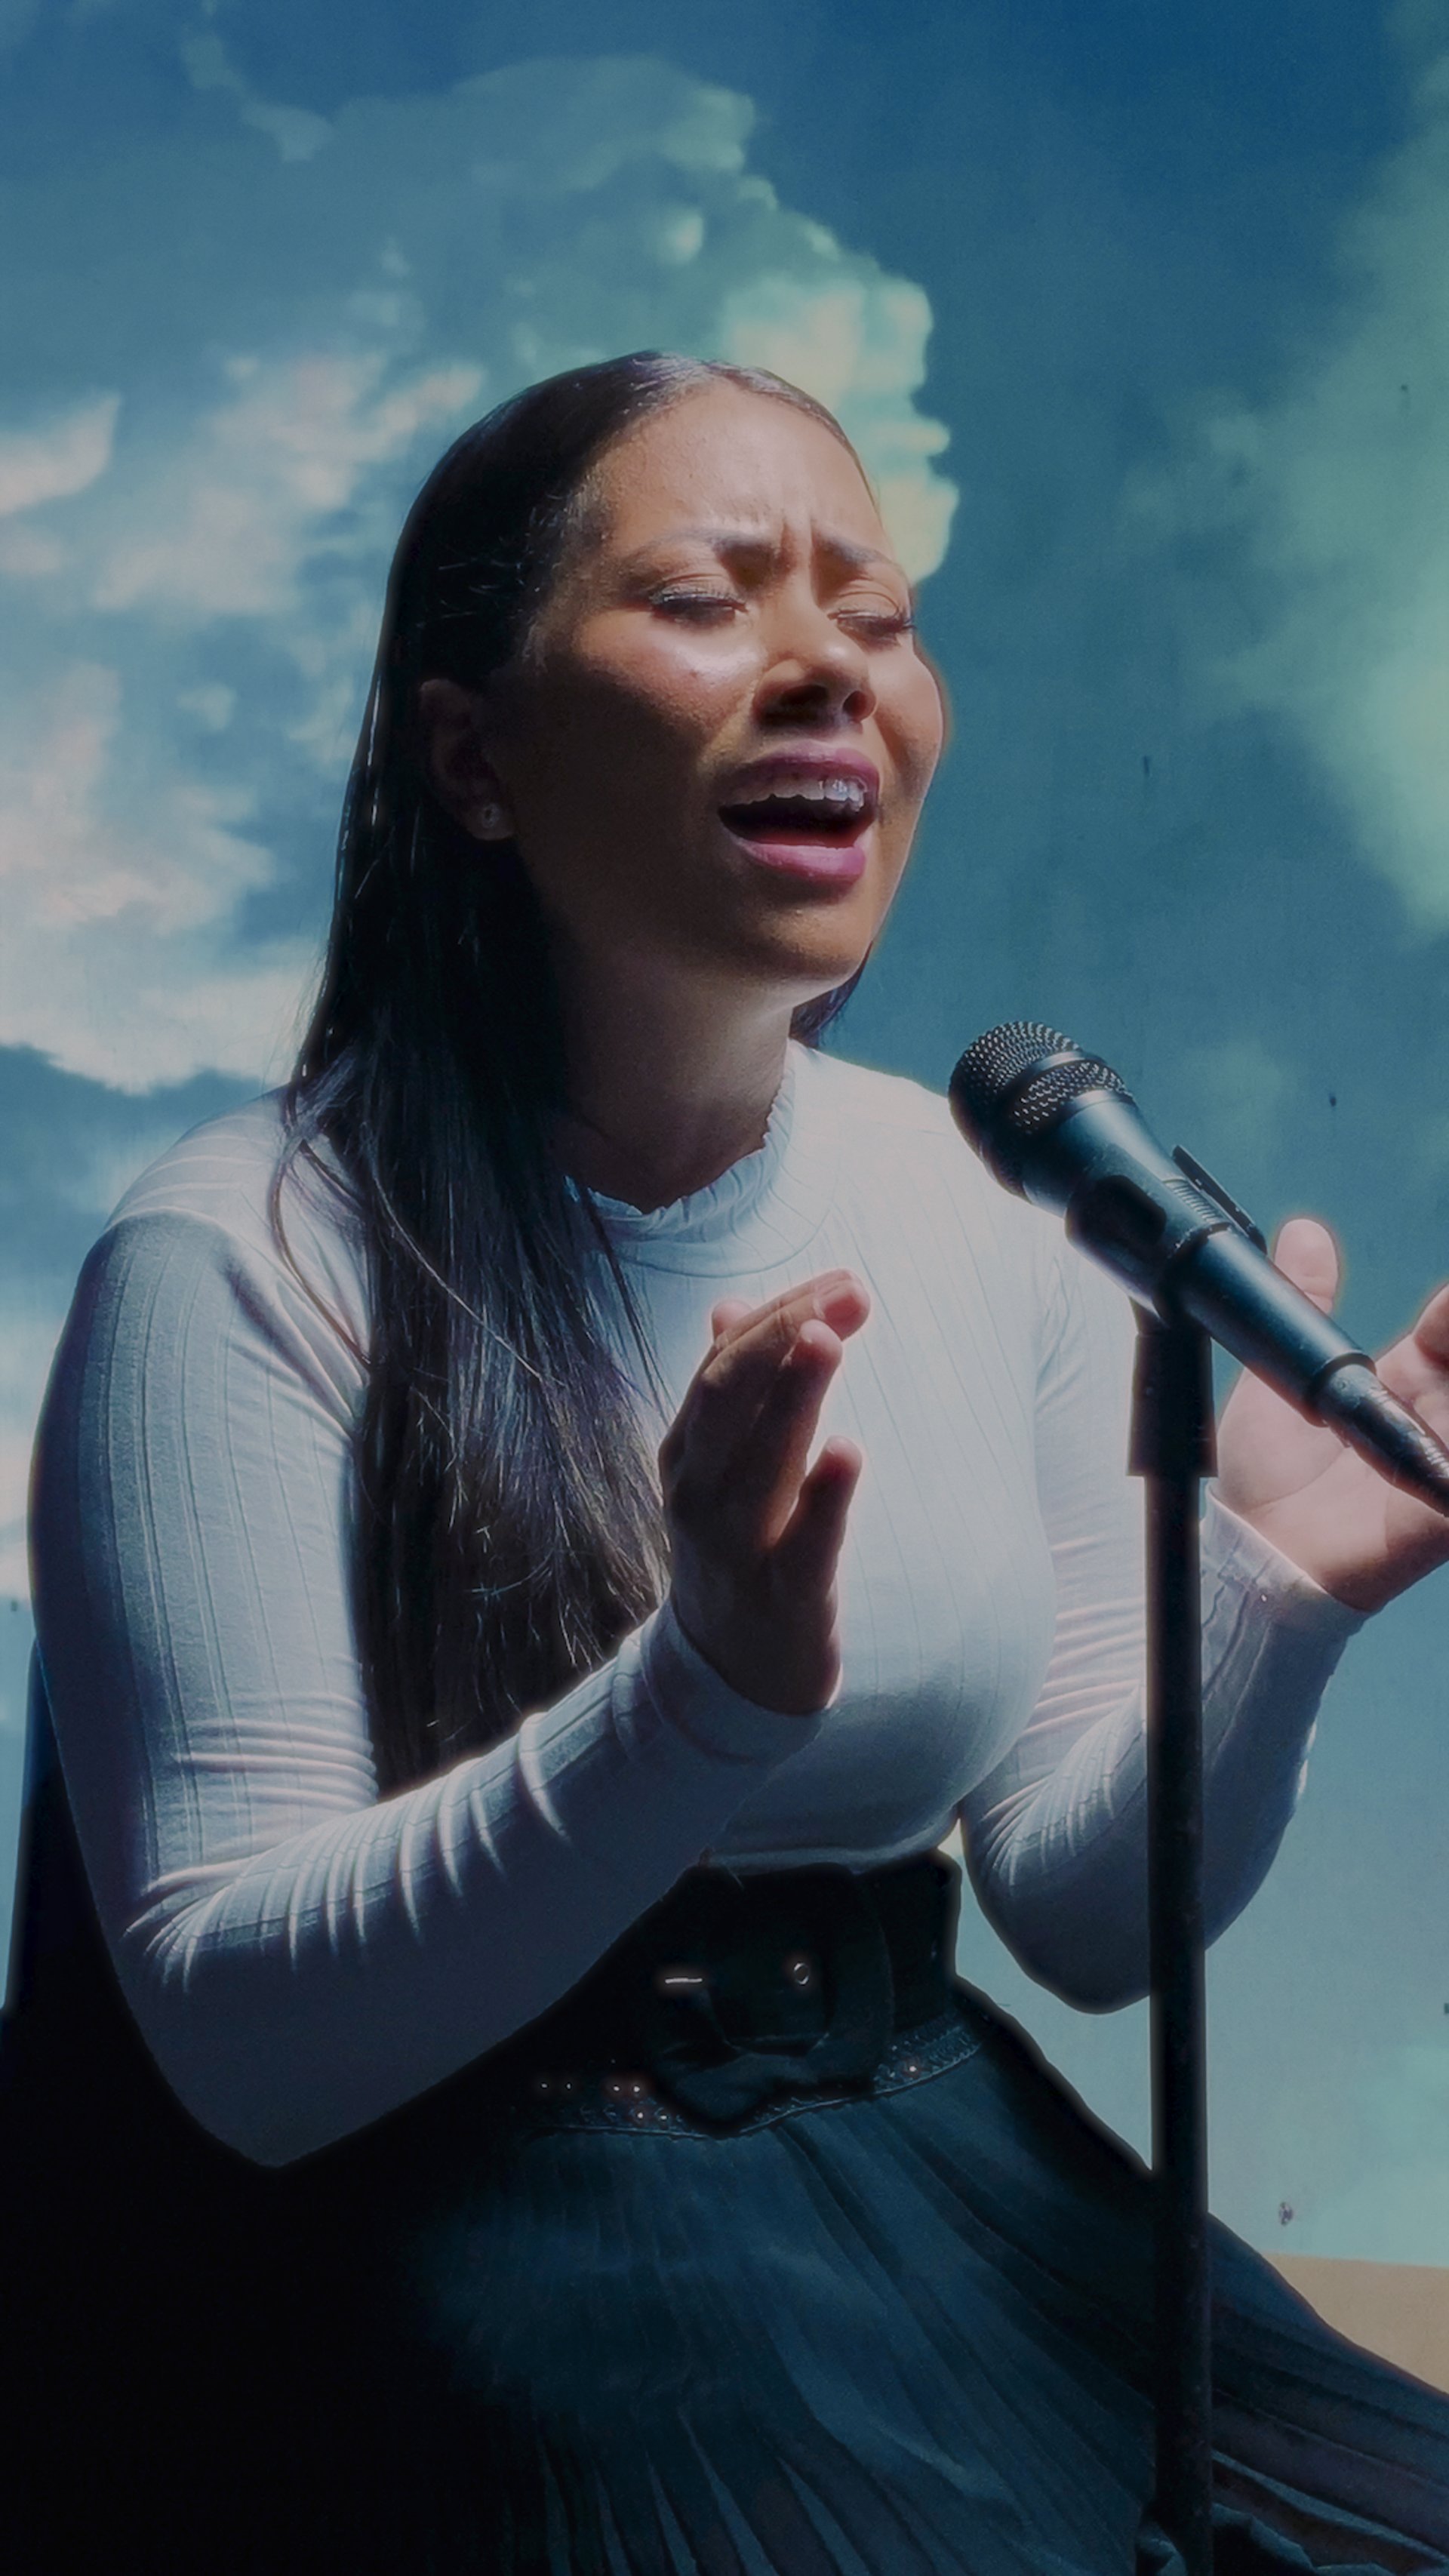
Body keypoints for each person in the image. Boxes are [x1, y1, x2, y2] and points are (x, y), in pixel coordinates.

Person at [3, 350, 1448, 2576]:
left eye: (875, 619)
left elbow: (1073, 1911)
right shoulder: (240, 1259)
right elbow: (244, 2048)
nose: (826, 675)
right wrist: (697, 1700)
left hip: (947, 2184)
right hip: (456, 2280)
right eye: (708, 599)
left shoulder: (1000, 1202)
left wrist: (1279, 1595)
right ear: (471, 755)